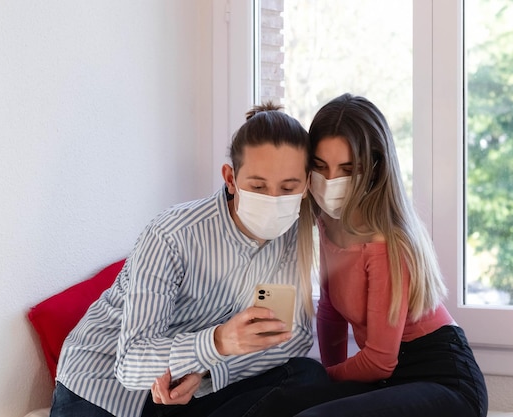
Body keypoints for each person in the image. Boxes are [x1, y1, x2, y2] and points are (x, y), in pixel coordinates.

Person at [50, 102, 330, 417]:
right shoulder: (172, 234)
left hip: (189, 384)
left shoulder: (291, 235)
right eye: (258, 186)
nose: (273, 201)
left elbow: (293, 337)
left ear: (306, 184)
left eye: (288, 188)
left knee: (307, 377)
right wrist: (218, 342)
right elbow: (131, 365)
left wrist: (208, 372)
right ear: (231, 179)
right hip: (102, 384)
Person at [295, 93, 488, 417]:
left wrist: (326, 378)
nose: (330, 181)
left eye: (346, 168)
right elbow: (330, 312)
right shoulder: (327, 224)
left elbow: (379, 361)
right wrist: (326, 383)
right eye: (320, 166)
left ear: (374, 169)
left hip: (445, 382)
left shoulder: (387, 244)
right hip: (393, 381)